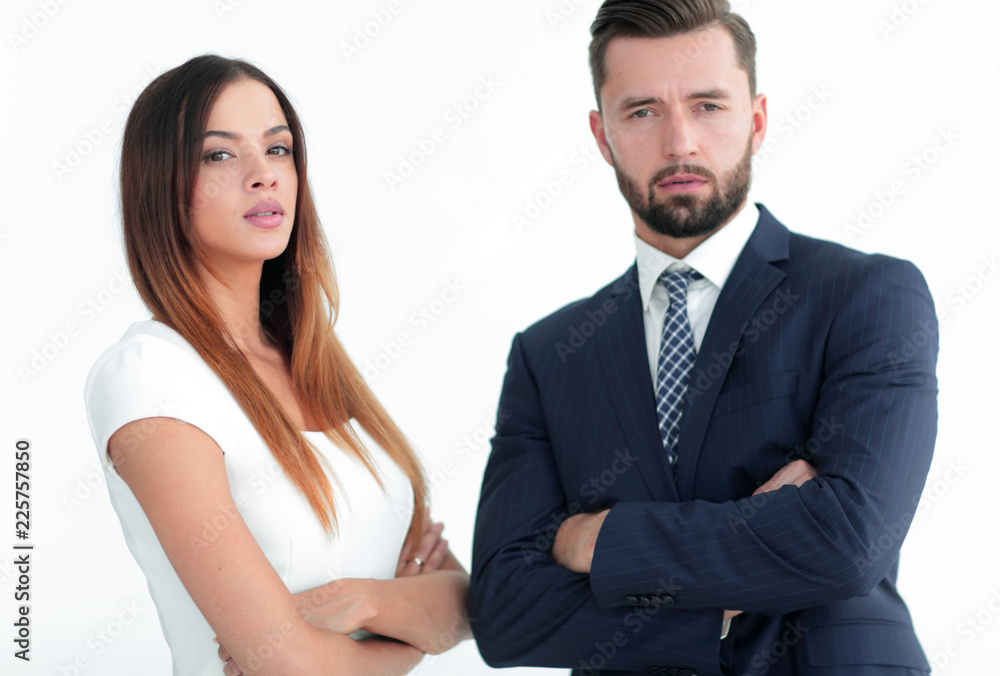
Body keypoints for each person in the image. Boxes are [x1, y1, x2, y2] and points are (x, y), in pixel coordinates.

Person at [469, 1, 937, 675]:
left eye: (708, 106)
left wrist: (595, 540)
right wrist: (729, 591)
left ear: (757, 120)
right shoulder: (550, 355)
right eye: (642, 112)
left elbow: (847, 544)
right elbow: (505, 614)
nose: (679, 142)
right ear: (602, 137)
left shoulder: (866, 297)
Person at [84, 54, 470, 676]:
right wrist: (411, 633)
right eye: (220, 154)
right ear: (163, 185)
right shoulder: (148, 376)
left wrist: (363, 601)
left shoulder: (315, 363)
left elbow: (468, 601)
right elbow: (290, 667)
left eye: (279, 149)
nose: (264, 175)